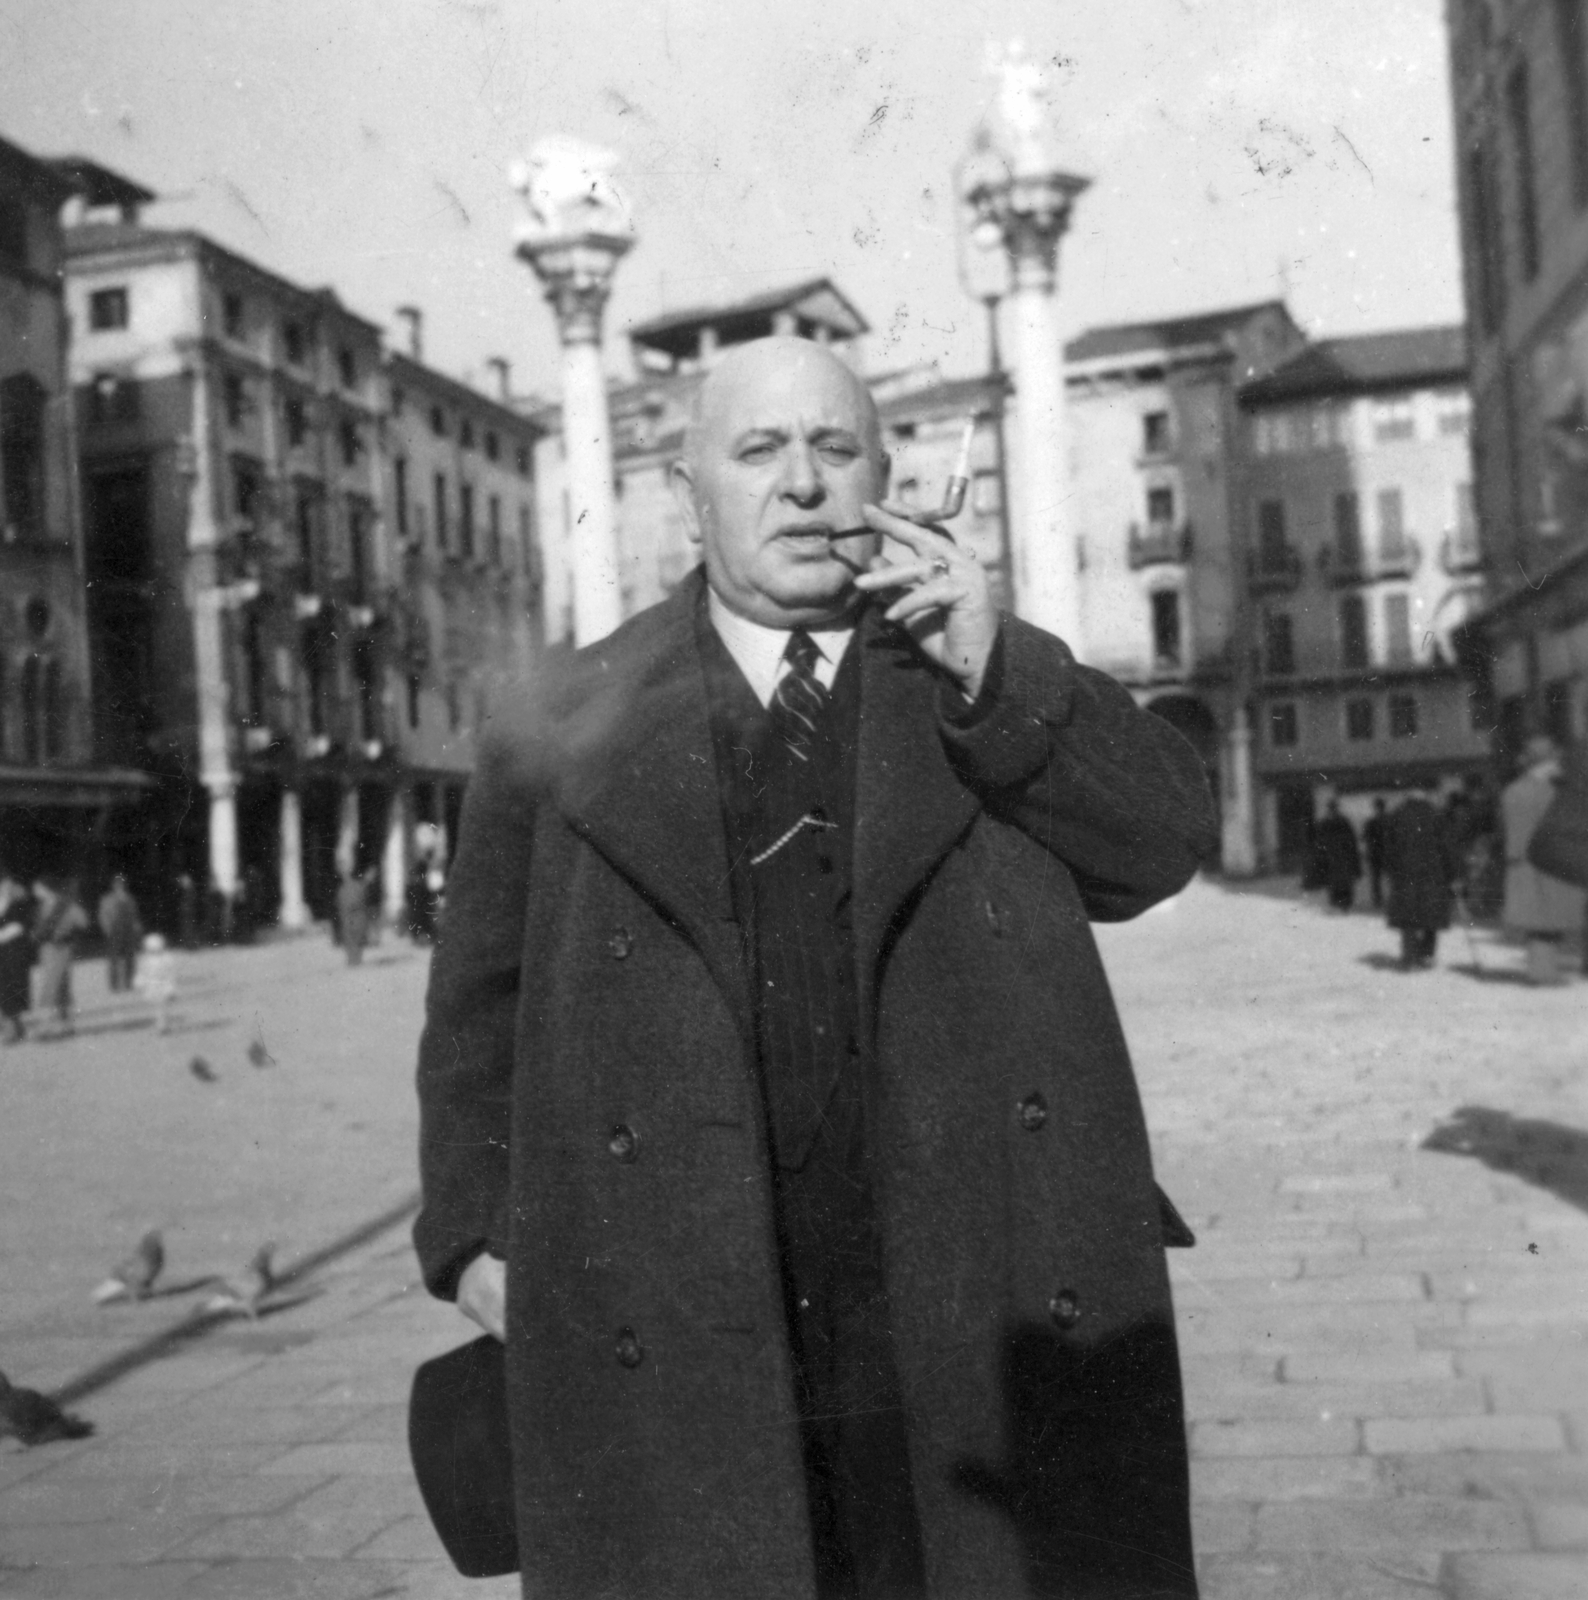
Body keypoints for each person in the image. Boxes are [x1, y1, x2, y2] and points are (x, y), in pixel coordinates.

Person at [414, 338, 1217, 1599]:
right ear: (688, 497)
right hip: (681, 1293)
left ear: (884, 479)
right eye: (758, 451)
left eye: (834, 448)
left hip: (958, 1284)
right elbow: (478, 1002)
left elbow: (1166, 843)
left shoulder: (962, 664)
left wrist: (994, 669)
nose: (800, 483)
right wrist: (471, 1234)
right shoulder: (572, 714)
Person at [1502, 735, 1586, 985]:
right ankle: (1543, 974)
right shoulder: (1551, 793)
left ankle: (1541, 971)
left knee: (1538, 920)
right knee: (1548, 920)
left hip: (1520, 863)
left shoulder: (1513, 790)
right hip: (1548, 863)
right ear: (1546, 763)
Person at [1383, 789, 1460, 969]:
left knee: (1408, 915)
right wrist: (1453, 873)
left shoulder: (1396, 816)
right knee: (1430, 913)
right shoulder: (1437, 816)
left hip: (1405, 872)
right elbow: (1448, 847)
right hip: (1433, 873)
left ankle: (1409, 956)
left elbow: (1388, 849)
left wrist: (1391, 871)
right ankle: (1427, 954)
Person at [31, 877, 89, 1039]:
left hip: (59, 948)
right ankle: (67, 1024)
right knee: (60, 986)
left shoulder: (63, 905)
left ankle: (46, 1026)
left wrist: (65, 928)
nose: (35, 892)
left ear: (46, 888)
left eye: (37, 888)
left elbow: (82, 921)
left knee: (51, 986)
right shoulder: (45, 906)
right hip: (50, 948)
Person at [0, 869, 34, 1044]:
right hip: (4, 952)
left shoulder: (18, 901)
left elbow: (22, 925)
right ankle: (14, 1028)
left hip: (14, 951)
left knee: (12, 988)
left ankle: (14, 1030)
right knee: (4, 989)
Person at [1313, 800, 1362, 912]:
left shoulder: (1343, 822)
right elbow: (1319, 842)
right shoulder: (1324, 824)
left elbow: (1351, 841)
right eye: (1331, 809)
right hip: (1331, 858)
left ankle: (1345, 903)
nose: (1332, 811)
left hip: (1343, 857)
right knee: (1333, 881)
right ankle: (1335, 902)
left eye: (1333, 808)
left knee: (1344, 881)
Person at [97, 874, 143, 993]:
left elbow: (134, 915)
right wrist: (107, 929)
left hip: (128, 931)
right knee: (114, 958)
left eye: (121, 884)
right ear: (113, 886)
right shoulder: (107, 899)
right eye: (117, 884)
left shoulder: (129, 898)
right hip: (115, 930)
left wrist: (136, 927)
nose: (119, 886)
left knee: (130, 957)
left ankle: (129, 982)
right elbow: (103, 915)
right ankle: (114, 985)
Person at [135, 933, 177, 1034]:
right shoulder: (146, 960)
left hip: (162, 986)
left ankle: (162, 1025)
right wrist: (139, 982)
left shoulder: (166, 958)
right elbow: (142, 973)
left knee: (162, 1006)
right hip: (153, 986)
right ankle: (162, 1024)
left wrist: (171, 986)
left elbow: (170, 974)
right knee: (159, 1007)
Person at [336, 868, 370, 967]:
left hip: (354, 915)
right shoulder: (345, 888)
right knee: (353, 937)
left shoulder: (351, 887)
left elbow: (361, 900)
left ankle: (355, 959)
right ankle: (354, 959)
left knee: (354, 937)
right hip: (352, 915)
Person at [1363, 797, 1389, 910]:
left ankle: (1379, 900)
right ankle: (1378, 900)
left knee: (1378, 879)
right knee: (1378, 879)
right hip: (1380, 854)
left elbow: (1365, 837)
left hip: (1380, 853)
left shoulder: (1372, 822)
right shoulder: (1386, 821)